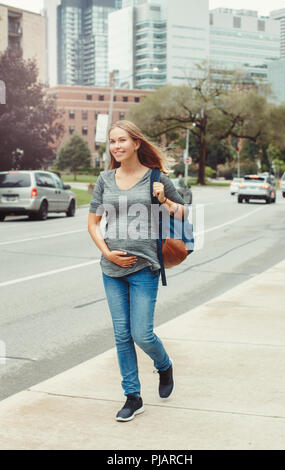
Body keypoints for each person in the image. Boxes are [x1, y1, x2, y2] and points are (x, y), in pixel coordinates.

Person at [88, 120, 186, 422]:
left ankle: (164, 364)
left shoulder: (156, 178)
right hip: (112, 269)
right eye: (112, 141)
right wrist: (107, 254)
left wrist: (164, 199)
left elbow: (182, 213)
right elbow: (93, 223)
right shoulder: (105, 179)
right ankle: (133, 396)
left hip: (145, 267)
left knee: (141, 334)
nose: (116, 147)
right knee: (121, 335)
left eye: (122, 141)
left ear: (136, 143)